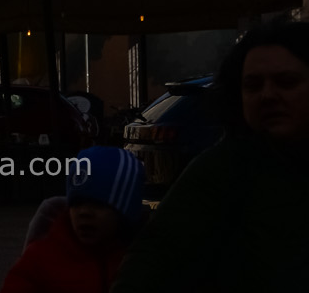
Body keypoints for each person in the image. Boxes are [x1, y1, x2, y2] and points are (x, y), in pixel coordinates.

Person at [115, 19, 309, 292]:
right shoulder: (217, 175)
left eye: (286, 82)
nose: (267, 95)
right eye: (252, 85)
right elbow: (150, 266)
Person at [0, 146, 143, 292]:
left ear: (125, 211)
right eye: (77, 203)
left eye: (98, 205)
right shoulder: (41, 260)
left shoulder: (144, 263)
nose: (84, 212)